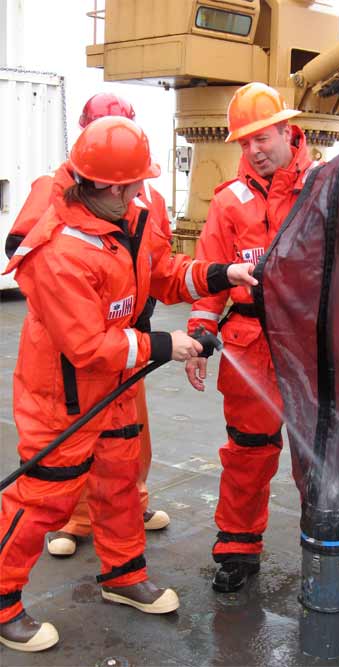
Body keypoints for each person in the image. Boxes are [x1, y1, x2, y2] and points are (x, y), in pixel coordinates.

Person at [0, 116, 257, 652]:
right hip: (63, 395)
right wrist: (165, 345)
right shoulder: (58, 252)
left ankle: (123, 574)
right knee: (45, 498)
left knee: (119, 479)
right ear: (111, 187)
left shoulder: (128, 218)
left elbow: (160, 272)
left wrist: (219, 274)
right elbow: (87, 346)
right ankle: (2, 599)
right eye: (136, 183)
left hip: (114, 385)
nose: (144, 191)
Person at [185, 81, 339, 593]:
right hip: (248, 344)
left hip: (309, 345)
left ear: (288, 131)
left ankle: (322, 539)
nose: (253, 150)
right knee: (248, 451)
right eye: (244, 142)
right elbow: (210, 271)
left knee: (319, 450)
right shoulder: (227, 201)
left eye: (262, 137)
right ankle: (237, 549)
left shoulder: (325, 183)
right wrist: (199, 329)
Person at [5, 92, 173, 558]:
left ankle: (124, 570)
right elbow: (30, 256)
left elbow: (157, 262)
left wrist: (213, 276)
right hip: (77, 365)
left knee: (122, 460)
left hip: (126, 348)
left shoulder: (140, 199)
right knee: (52, 481)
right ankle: (72, 523)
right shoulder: (59, 218)